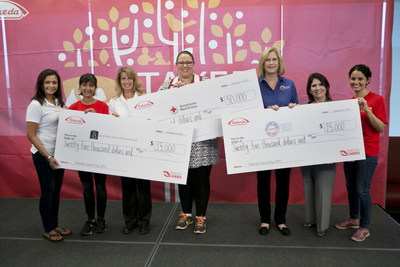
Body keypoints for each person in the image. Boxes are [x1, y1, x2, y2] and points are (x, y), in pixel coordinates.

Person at [158, 50, 219, 234]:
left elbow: (217, 105)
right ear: (176, 65)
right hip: (180, 142)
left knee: (201, 180)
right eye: (181, 62)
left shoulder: (205, 82)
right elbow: (158, 109)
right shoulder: (169, 85)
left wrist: (216, 128)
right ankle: (186, 214)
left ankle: (201, 217)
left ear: (194, 64)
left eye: (188, 62)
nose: (185, 65)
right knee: (182, 180)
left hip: (203, 141)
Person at [335, 64, 388, 242]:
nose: (356, 82)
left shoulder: (376, 100)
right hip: (352, 151)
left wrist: (366, 109)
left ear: (367, 80)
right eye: (353, 78)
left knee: (362, 190)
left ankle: (364, 227)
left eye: (360, 79)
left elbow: (380, 127)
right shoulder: (350, 102)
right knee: (351, 188)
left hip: (369, 151)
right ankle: (353, 219)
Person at [256, 47, 298, 236]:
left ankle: (280, 220)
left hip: (284, 143)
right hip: (262, 142)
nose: (271, 63)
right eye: (268, 60)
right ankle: (265, 220)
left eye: (274, 59)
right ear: (263, 63)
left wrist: (292, 107)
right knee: (263, 181)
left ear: (279, 63)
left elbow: (297, 111)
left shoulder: (289, 84)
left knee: (283, 182)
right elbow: (249, 114)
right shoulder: (255, 86)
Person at [26, 69, 71, 242]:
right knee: (48, 191)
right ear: (41, 84)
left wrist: (86, 114)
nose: (51, 85)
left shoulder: (59, 102)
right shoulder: (36, 105)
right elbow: (31, 135)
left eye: (54, 82)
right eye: (47, 82)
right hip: (44, 156)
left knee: (56, 191)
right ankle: (48, 228)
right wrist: (48, 156)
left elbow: (70, 118)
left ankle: (55, 224)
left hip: (59, 154)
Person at [109, 67, 152, 235]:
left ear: (134, 80)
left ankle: (144, 222)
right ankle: (130, 222)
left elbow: (150, 121)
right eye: (123, 79)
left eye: (129, 78)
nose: (126, 81)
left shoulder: (144, 98)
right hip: (123, 151)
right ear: (119, 81)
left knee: (143, 188)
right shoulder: (113, 102)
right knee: (127, 188)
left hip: (142, 149)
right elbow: (109, 128)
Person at [68, 73, 109, 236]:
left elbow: (108, 130)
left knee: (100, 187)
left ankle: (101, 219)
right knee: (86, 188)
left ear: (96, 88)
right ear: (79, 87)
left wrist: (96, 118)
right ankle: (90, 219)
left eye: (91, 85)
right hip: (81, 155)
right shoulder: (72, 108)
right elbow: (69, 131)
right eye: (84, 85)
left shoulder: (103, 107)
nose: (87, 88)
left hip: (99, 154)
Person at [301, 73, 336, 237]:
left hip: (328, 157)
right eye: (313, 85)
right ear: (309, 89)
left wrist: (335, 153)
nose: (317, 88)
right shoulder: (303, 108)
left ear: (327, 86)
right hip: (307, 156)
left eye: (320, 84)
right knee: (308, 187)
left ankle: (322, 226)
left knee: (323, 190)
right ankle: (311, 218)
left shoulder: (336, 107)